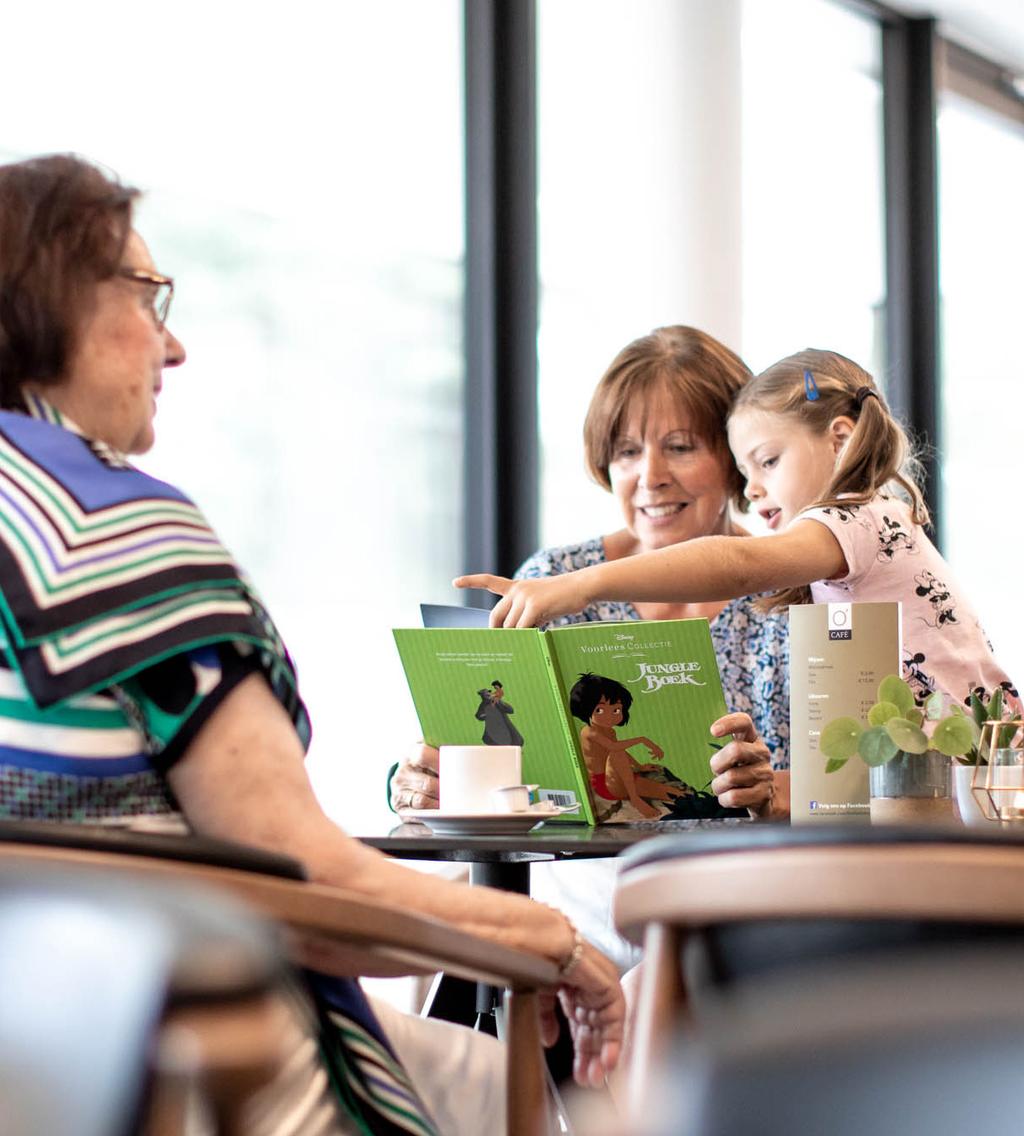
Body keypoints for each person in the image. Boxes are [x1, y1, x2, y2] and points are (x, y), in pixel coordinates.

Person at [0, 154, 624, 1136]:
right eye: (150, 294)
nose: (175, 347)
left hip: (26, 1049)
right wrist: (548, 938)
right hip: (174, 1047)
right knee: (514, 1091)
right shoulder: (110, 528)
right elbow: (296, 885)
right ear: (53, 293)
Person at [392, 325, 790, 968]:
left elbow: (844, 788)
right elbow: (478, 753)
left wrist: (768, 790)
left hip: (732, 899)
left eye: (681, 447)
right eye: (627, 451)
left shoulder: (785, 592)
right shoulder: (553, 574)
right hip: (571, 892)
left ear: (738, 457)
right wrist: (421, 781)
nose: (650, 477)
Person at [457, 349, 1018, 712]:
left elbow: (740, 564)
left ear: (840, 440)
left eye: (767, 462)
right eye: (626, 451)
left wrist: (583, 585)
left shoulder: (856, 521)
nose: (753, 489)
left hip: (972, 764)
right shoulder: (844, 544)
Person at [476, 680, 524, 746]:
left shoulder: (497, 701)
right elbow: (479, 716)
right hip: (493, 729)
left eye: (488, 694)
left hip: (504, 727)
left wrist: (499, 702)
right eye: (485, 695)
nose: (487, 696)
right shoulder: (483, 705)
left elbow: (510, 710)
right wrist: (484, 715)